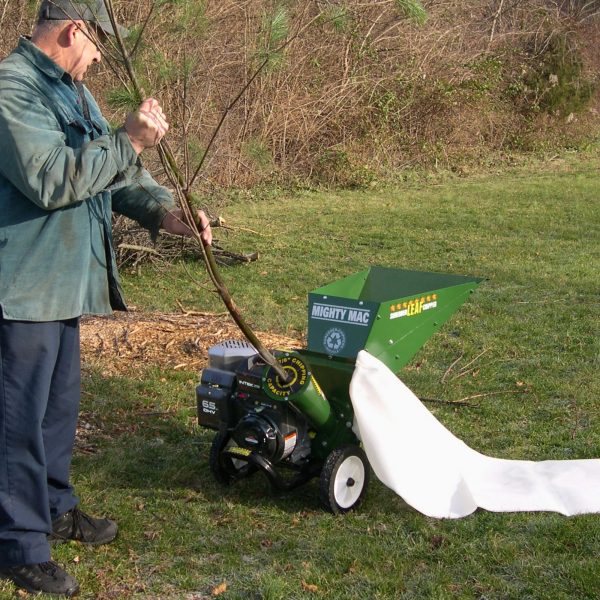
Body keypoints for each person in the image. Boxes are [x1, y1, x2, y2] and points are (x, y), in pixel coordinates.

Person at [0, 1, 212, 595]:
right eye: (97, 45)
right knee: (17, 421)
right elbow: (51, 178)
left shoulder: (73, 92)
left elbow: (118, 174)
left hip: (65, 282)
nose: (99, 58)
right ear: (74, 30)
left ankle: (54, 507)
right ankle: (18, 543)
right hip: (21, 286)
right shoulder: (11, 91)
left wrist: (166, 211)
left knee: (56, 409)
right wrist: (129, 139)